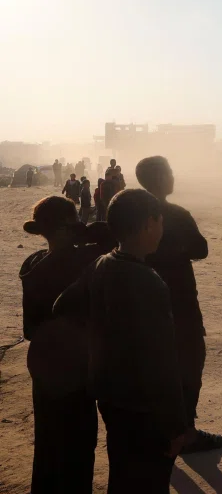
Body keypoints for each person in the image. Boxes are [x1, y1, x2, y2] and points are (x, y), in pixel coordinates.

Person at [54, 189, 188, 492]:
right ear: (148, 224)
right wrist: (177, 426)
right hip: (145, 407)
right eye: (160, 223)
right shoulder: (149, 282)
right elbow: (163, 362)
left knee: (122, 476)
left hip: (110, 396)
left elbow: (61, 306)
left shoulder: (101, 264)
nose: (162, 230)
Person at [19, 197, 115, 494]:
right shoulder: (82, 261)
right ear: (65, 229)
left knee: (48, 443)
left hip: (43, 364)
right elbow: (113, 238)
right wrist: (85, 231)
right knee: (78, 446)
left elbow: (30, 330)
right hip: (75, 369)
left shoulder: (33, 262)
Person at [135, 156, 222, 454]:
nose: (174, 177)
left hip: (141, 304)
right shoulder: (175, 213)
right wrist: (175, 251)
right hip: (180, 303)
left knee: (152, 366)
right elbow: (201, 249)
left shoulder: (130, 213)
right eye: (170, 172)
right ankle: (184, 432)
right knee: (188, 364)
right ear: (161, 178)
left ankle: (157, 430)